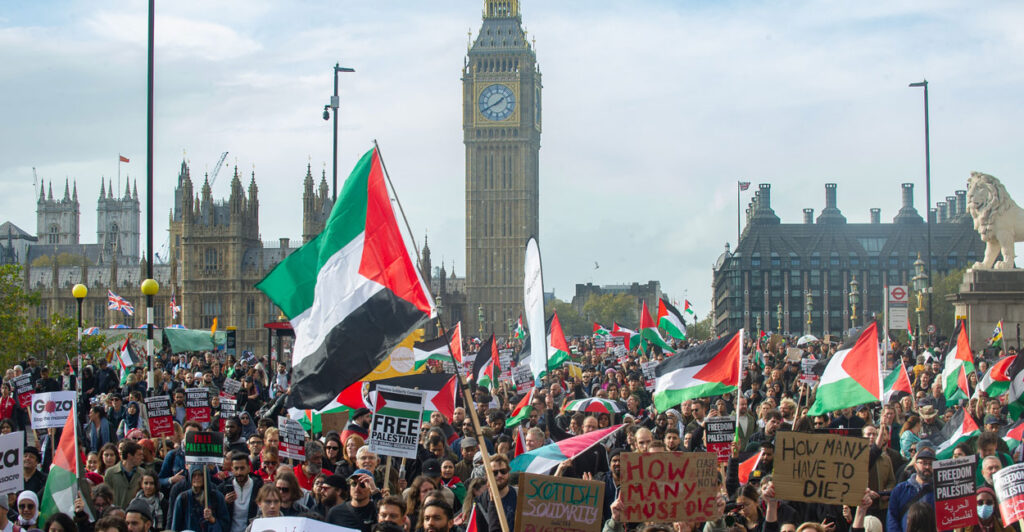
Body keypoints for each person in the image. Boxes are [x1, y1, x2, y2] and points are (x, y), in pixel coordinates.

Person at [887, 448, 935, 532]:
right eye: (923, 463)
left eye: (930, 464)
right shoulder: (900, 490)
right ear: (915, 466)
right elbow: (892, 518)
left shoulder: (939, 492)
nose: (927, 467)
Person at [170, 465, 230, 532]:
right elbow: (175, 526)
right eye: (194, 475)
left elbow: (225, 525)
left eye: (200, 475)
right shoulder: (182, 498)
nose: (197, 478)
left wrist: (212, 519)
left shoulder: (217, 497)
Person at [218, 452, 263, 532]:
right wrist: (224, 502)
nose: (239, 473)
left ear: (249, 468)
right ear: (232, 469)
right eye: (236, 468)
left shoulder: (259, 486)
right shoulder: (223, 488)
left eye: (242, 468)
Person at [474, 454, 516, 532]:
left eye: (503, 471)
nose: (499, 475)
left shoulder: (519, 495)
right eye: (495, 473)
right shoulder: (480, 501)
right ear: (487, 475)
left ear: (508, 472)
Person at [104, 440, 148, 509]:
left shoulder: (143, 473)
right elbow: (106, 497)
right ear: (129, 456)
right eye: (139, 455)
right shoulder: (111, 473)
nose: (142, 458)